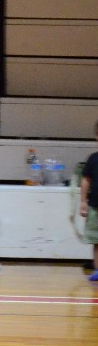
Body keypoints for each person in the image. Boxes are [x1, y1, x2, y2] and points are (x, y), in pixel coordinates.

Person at [80, 119, 98, 282]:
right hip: (95, 207)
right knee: (96, 241)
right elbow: (86, 180)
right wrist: (83, 202)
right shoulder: (93, 159)